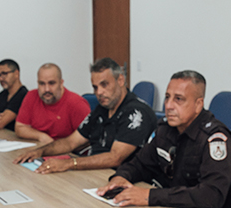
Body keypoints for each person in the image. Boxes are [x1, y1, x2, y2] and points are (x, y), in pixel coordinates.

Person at [96, 70, 231, 208]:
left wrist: (150, 196)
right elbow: (140, 164)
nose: (168, 105)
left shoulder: (215, 138)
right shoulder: (166, 128)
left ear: (198, 104)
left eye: (178, 99)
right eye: (167, 97)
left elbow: (211, 195)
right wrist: (121, 177)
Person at [13, 57, 156, 173]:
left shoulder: (137, 112)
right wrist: (40, 152)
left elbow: (115, 158)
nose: (99, 92)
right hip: (95, 173)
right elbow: (71, 142)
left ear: (120, 80)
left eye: (104, 84)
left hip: (123, 180)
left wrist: (69, 164)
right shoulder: (102, 109)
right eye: (95, 87)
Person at [14, 63, 91, 144]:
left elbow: (88, 140)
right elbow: (20, 127)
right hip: (41, 148)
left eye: (51, 83)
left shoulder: (76, 104)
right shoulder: (31, 96)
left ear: (61, 83)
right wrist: (41, 136)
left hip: (69, 153)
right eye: (42, 84)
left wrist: (56, 147)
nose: (47, 89)